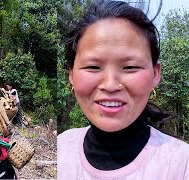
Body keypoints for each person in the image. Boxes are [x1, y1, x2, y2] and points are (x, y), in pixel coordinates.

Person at [57, 1, 189, 179]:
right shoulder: (61, 149)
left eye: (130, 67)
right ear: (71, 74)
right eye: (93, 67)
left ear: (155, 74)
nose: (110, 85)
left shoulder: (180, 165)